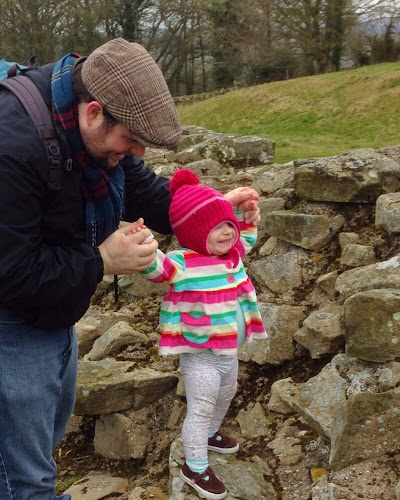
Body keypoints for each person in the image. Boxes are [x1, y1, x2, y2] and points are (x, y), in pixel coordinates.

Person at [0, 39, 260, 500]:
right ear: (94, 112)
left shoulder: (93, 132)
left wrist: (213, 211)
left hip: (56, 301)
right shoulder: (13, 149)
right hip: (11, 317)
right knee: (24, 477)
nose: (138, 152)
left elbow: (145, 192)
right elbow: (10, 270)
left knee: (41, 443)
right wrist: (102, 261)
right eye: (131, 139)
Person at [139, 169, 268, 500]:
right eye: (217, 226)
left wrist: (246, 219)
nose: (227, 232)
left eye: (229, 224)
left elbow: (247, 238)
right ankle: (194, 466)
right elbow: (156, 269)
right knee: (202, 404)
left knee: (226, 393)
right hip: (200, 356)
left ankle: (211, 434)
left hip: (229, 353)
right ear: (194, 231)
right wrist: (144, 245)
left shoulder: (232, 254)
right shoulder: (182, 263)